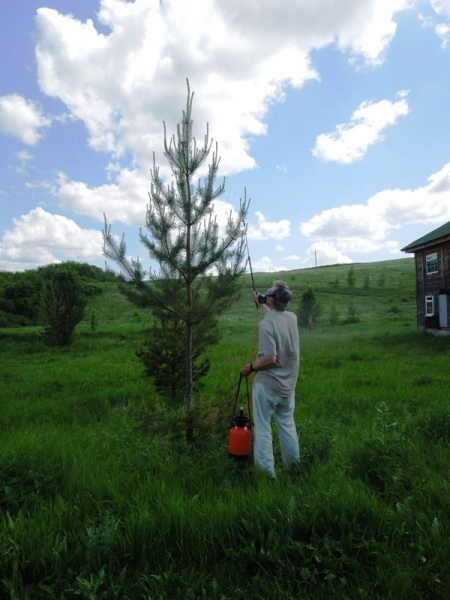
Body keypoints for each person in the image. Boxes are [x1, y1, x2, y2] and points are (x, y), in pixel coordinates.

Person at [240, 280, 300, 478]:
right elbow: (275, 320)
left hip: (267, 387)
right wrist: (262, 303)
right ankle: (294, 469)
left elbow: (269, 358)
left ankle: (267, 476)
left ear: (272, 300)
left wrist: (249, 368)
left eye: (269, 294)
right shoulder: (291, 318)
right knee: (287, 426)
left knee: (263, 429)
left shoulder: (266, 325)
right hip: (287, 388)